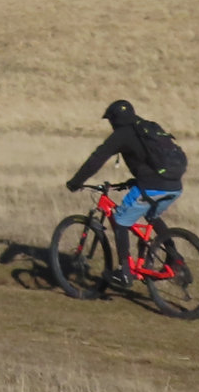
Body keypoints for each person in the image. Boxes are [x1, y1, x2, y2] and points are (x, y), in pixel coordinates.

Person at [65, 99, 187, 288]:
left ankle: (125, 271)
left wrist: (76, 182)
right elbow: (151, 160)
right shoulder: (147, 127)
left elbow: (96, 159)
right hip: (174, 185)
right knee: (151, 215)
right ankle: (175, 259)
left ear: (114, 120)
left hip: (151, 186)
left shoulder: (122, 134)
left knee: (120, 220)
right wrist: (134, 181)